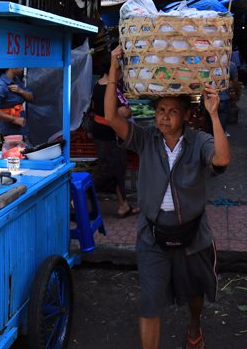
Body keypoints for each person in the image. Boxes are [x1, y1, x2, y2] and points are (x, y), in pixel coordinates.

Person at [104, 44, 231, 349]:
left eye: (172, 111)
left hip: (193, 234)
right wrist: (113, 70)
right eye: (161, 111)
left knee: (195, 292)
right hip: (152, 235)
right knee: (150, 301)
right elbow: (111, 117)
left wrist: (214, 115)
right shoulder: (146, 139)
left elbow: (222, 159)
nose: (164, 117)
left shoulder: (198, 141)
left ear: (186, 115)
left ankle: (194, 324)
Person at [90, 53, 139, 218]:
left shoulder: (98, 84)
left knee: (118, 168)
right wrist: (128, 111)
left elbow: (94, 106)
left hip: (100, 130)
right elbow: (122, 112)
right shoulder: (110, 89)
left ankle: (123, 205)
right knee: (107, 169)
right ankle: (79, 195)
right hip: (109, 134)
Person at [0, 67, 34, 139]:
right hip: (6, 133)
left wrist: (21, 91)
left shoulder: (16, 81)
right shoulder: (1, 86)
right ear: (12, 67)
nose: (23, 69)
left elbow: (31, 98)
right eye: (21, 66)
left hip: (20, 131)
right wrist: (14, 119)